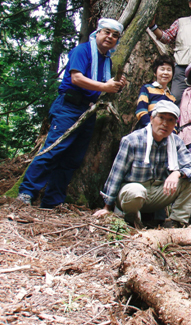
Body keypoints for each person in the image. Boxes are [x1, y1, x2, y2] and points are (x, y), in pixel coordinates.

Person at [17, 18, 128, 208]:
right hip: (69, 106)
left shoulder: (105, 59)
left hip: (88, 110)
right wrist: (105, 86)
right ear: (97, 33)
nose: (110, 37)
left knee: (72, 158)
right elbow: (76, 78)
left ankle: (52, 200)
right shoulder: (83, 50)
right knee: (54, 149)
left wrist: (115, 84)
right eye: (107, 32)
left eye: (115, 35)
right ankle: (26, 193)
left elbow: (103, 84)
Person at [94, 101, 191, 228]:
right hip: (132, 192)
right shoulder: (132, 140)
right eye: (161, 118)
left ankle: (176, 223)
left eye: (170, 120)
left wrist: (177, 173)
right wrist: (107, 207)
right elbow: (117, 174)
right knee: (136, 191)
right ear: (151, 119)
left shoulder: (176, 142)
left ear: (175, 124)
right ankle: (131, 220)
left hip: (157, 192)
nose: (165, 124)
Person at [135, 54, 177, 130]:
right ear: (155, 72)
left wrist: (172, 134)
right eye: (162, 69)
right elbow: (141, 111)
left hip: (165, 134)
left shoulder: (172, 97)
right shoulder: (147, 89)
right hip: (146, 130)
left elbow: (174, 120)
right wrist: (153, 128)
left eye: (169, 70)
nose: (165, 73)